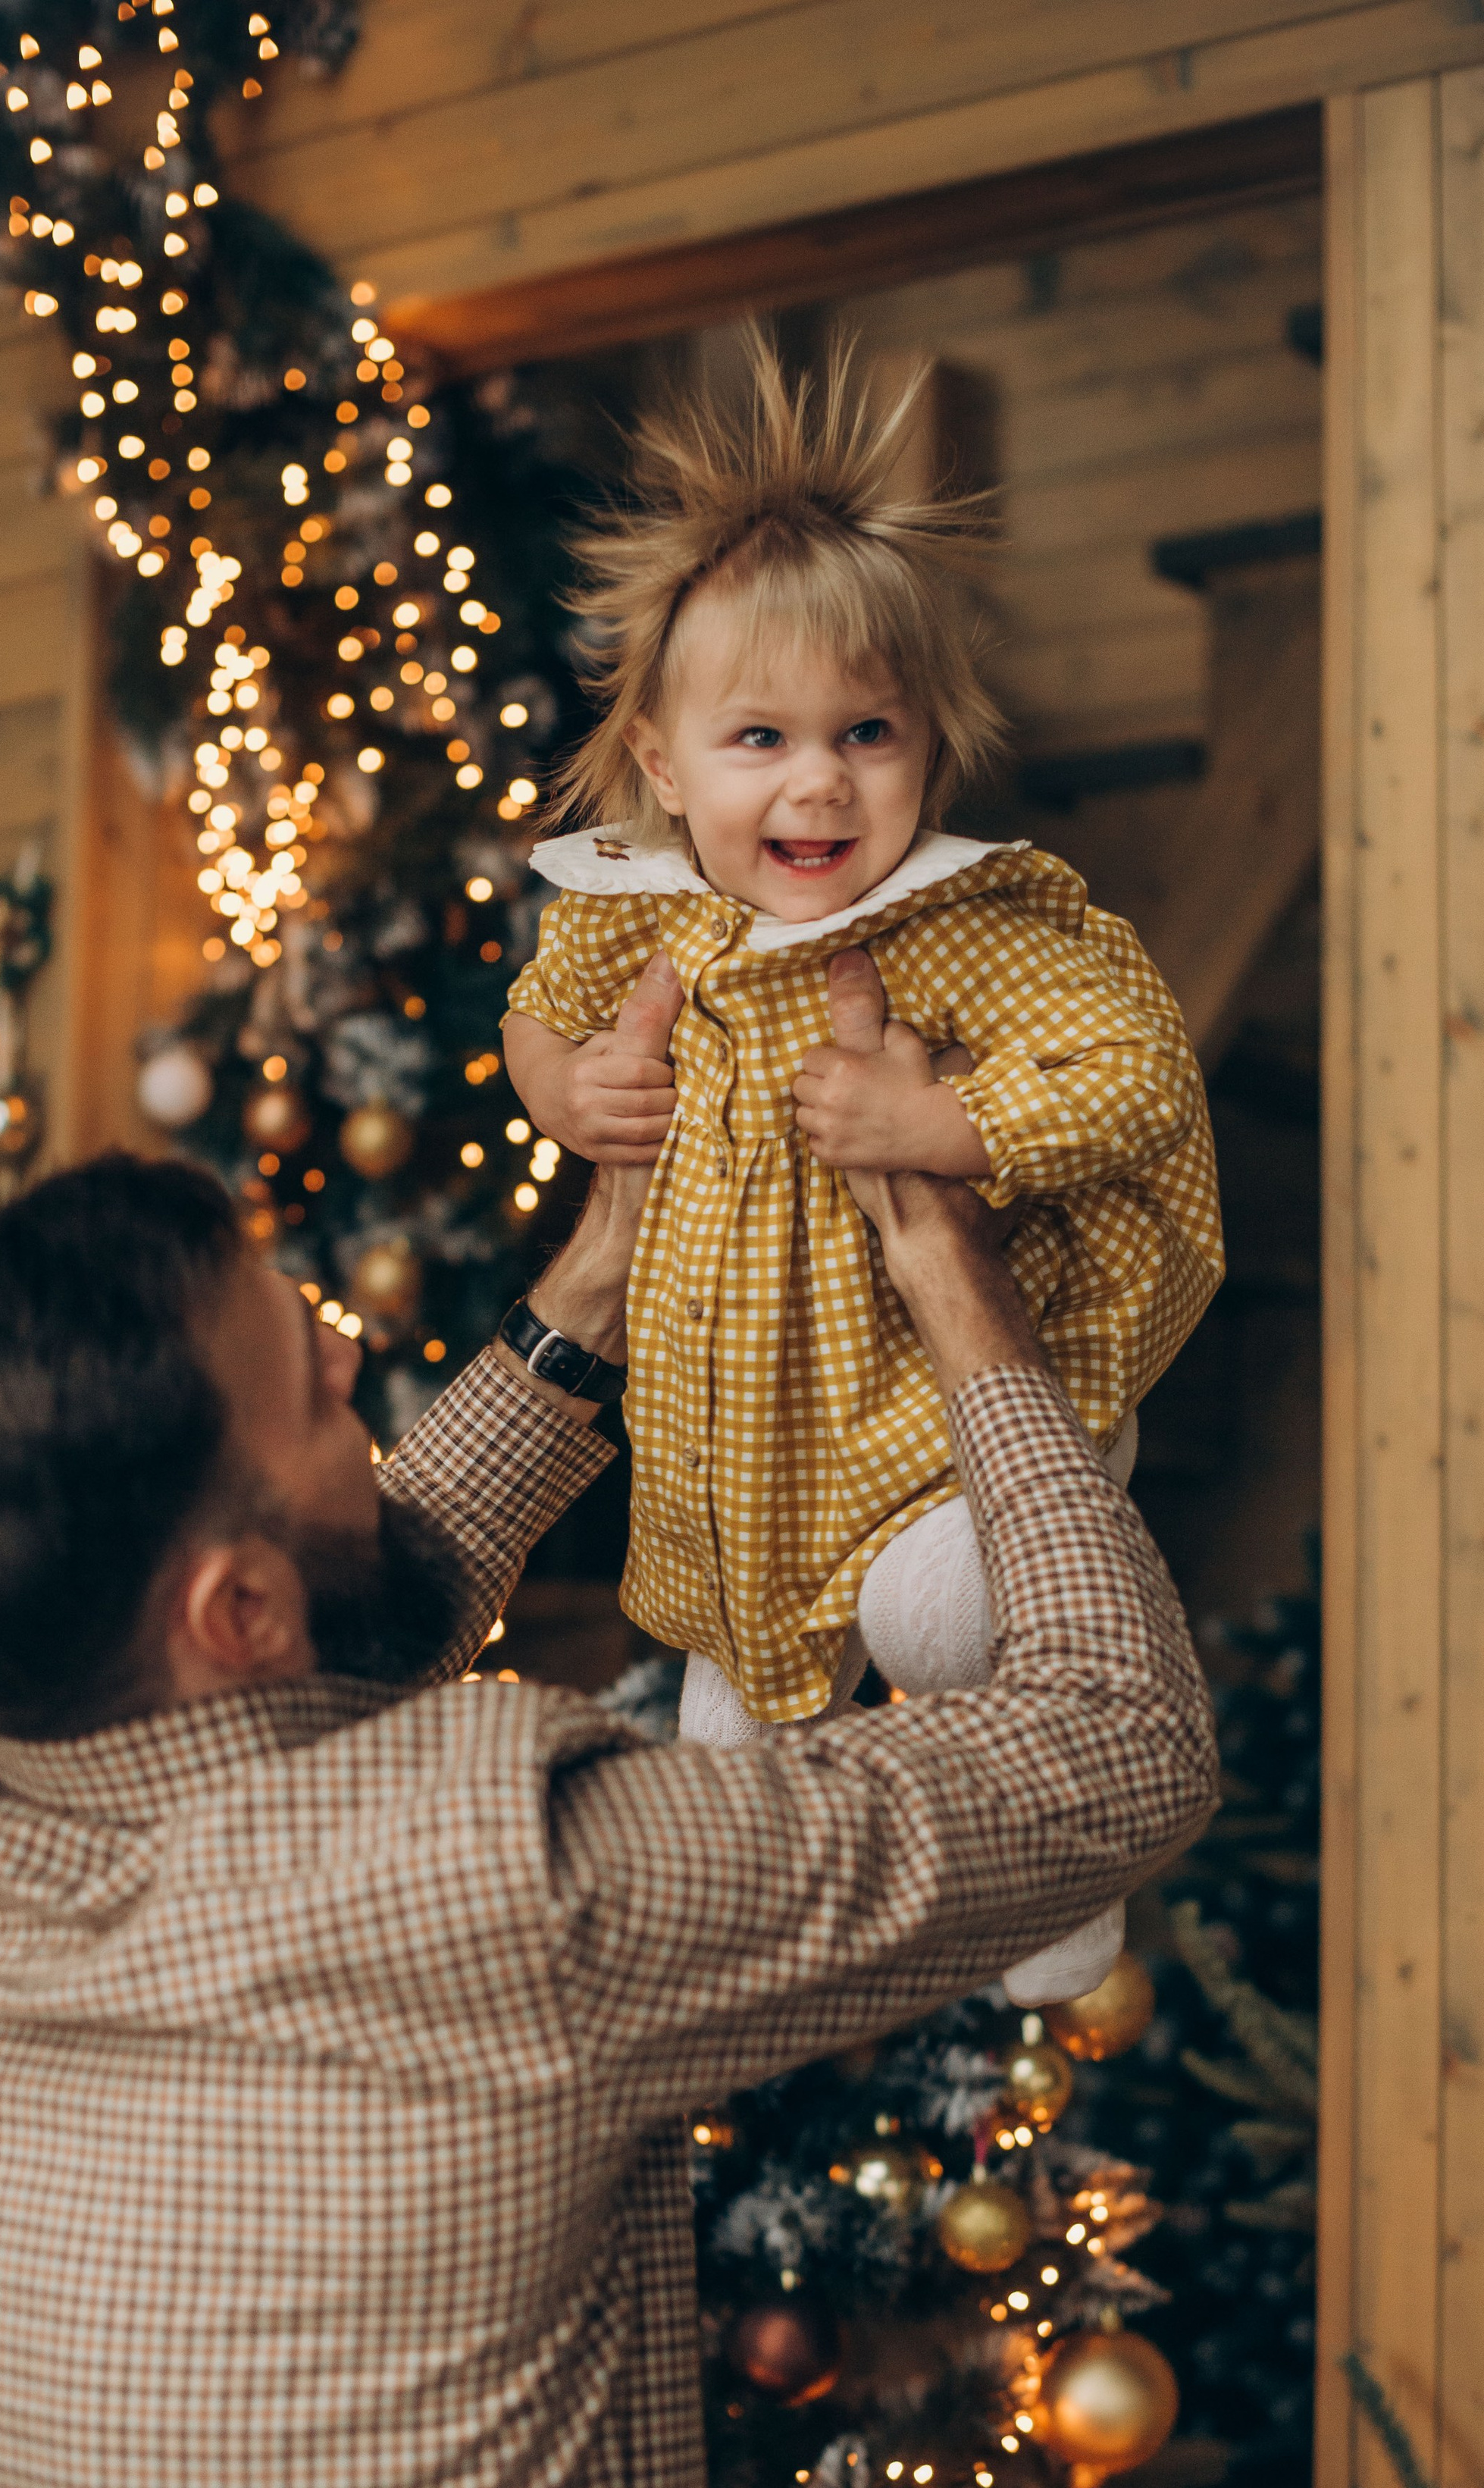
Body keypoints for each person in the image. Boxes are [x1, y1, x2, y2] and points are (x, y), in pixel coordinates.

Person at [0, 1007, 1216, 2488]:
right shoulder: (516, 1894)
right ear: (233, 1601)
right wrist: (951, 1275)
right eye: (313, 1376)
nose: (359, 1350)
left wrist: (589, 1279)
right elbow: (1119, 1735)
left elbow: (289, 1664)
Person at [502, 336, 1223, 1794]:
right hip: (743, 1438)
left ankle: (1064, 1879)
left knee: (942, 1617)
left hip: (930, 1411)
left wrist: (942, 1118)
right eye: (759, 736)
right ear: (663, 765)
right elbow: (540, 1003)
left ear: (930, 749)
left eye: (868, 733)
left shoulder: (952, 923)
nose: (820, 780)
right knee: (730, 1742)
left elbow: (1138, 1067)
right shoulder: (637, 908)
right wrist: (561, 1091)